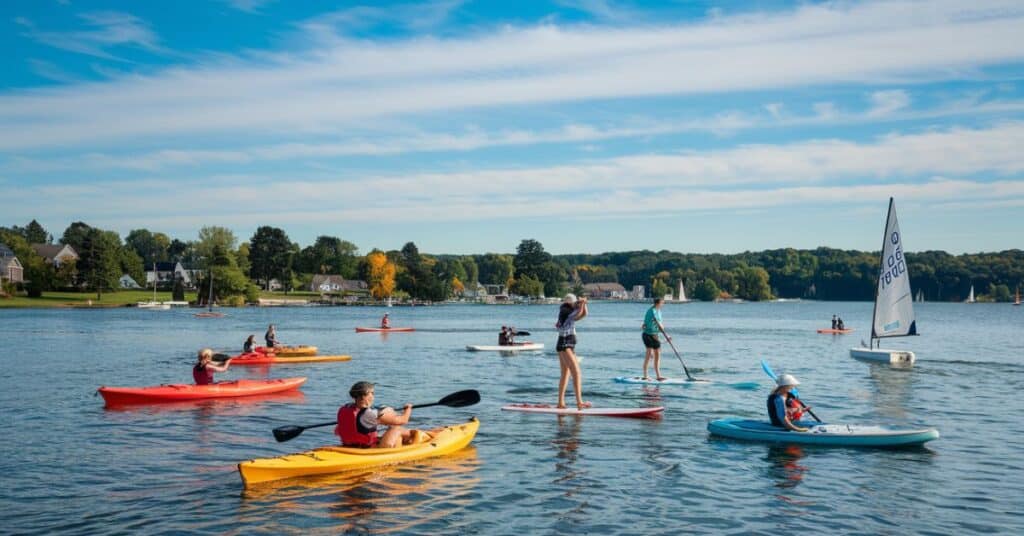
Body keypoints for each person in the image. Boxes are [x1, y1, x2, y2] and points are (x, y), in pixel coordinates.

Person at [335, 381, 417, 449]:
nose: (373, 396)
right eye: (372, 393)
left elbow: (337, 431)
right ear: (365, 395)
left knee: (385, 431)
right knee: (397, 429)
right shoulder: (370, 413)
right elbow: (403, 420)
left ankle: (407, 439)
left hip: (348, 446)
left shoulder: (344, 408)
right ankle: (414, 438)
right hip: (366, 449)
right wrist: (408, 409)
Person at [556, 294, 590, 410]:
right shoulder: (565, 310)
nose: (576, 304)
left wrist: (584, 304)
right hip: (565, 345)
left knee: (566, 373)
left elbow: (584, 314)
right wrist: (582, 304)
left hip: (565, 344)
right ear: (571, 303)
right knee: (576, 372)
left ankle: (560, 403)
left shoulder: (570, 309)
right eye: (575, 302)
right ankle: (579, 402)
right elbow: (578, 314)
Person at [641, 297, 669, 381]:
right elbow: (658, 324)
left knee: (657, 354)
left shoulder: (659, 311)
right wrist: (666, 335)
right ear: (657, 303)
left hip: (655, 335)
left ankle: (658, 376)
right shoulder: (652, 311)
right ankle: (645, 376)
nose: (663, 304)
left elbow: (661, 324)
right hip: (647, 335)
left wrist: (666, 334)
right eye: (662, 303)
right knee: (649, 354)